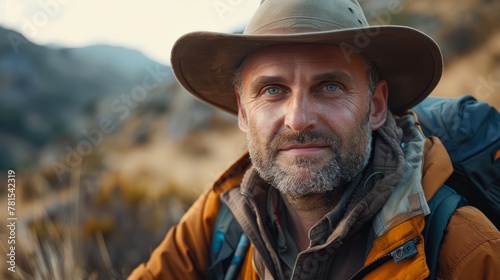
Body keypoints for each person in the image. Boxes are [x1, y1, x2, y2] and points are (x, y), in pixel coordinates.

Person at [128, 0, 500, 279]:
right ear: (243, 111)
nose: (298, 119)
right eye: (273, 89)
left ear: (376, 105)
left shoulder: (463, 251)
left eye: (330, 86)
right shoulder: (220, 217)